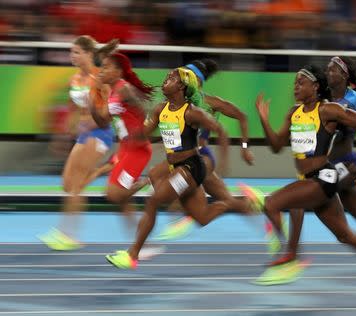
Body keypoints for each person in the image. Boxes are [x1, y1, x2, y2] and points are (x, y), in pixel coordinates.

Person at [240, 65, 356, 307]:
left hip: (323, 178)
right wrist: (264, 119)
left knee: (271, 203)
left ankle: (290, 258)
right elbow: (276, 146)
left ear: (315, 87)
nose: (295, 87)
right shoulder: (293, 113)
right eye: (294, 83)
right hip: (311, 181)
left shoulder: (327, 110)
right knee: (345, 235)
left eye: (301, 83)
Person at [274, 56, 356, 270]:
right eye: (326, 69)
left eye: (332, 69)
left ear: (344, 76)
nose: (327, 72)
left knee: (299, 197)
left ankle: (291, 254)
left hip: (347, 165)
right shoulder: (322, 100)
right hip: (326, 168)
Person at [105, 66, 235, 268]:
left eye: (172, 78)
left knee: (153, 202)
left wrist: (225, 165)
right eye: (167, 76)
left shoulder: (193, 113)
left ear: (181, 86)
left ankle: (132, 256)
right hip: (176, 167)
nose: (166, 79)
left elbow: (221, 130)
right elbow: (142, 135)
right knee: (202, 217)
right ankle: (237, 203)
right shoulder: (160, 110)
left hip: (192, 167)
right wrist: (128, 115)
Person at [154, 59, 255, 240]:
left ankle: (179, 218)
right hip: (187, 160)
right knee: (226, 200)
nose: (181, 79)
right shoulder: (173, 104)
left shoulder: (210, 102)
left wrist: (244, 148)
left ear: (196, 81)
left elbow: (242, 117)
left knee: (169, 181)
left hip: (202, 158)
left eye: (186, 76)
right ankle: (256, 205)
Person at [39, 36, 118, 250]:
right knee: (67, 184)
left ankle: (68, 235)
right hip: (83, 135)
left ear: (88, 54)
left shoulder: (99, 79)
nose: (72, 56)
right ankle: (107, 167)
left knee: (75, 185)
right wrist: (63, 135)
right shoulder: (74, 80)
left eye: (76, 52)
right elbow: (72, 109)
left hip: (100, 133)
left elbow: (108, 114)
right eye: (71, 52)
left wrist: (91, 123)